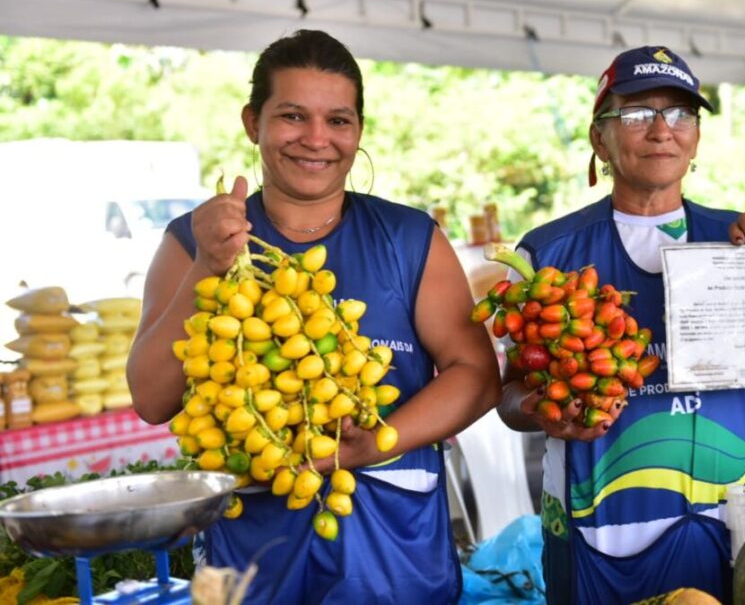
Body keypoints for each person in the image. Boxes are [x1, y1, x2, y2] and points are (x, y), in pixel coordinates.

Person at [497, 46, 745, 604]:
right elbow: (510, 396)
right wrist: (544, 412)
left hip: (728, 527)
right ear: (599, 138)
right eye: (637, 114)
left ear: (697, 138)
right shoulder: (550, 250)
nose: (663, 130)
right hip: (597, 529)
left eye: (682, 114)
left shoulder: (744, 240)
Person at [126, 29, 501, 604]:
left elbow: (475, 376)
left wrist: (370, 445)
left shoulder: (408, 238)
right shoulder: (192, 240)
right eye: (293, 116)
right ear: (254, 122)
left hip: (392, 549)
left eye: (339, 121)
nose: (317, 139)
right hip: (251, 554)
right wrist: (208, 264)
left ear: (359, 131)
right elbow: (152, 399)